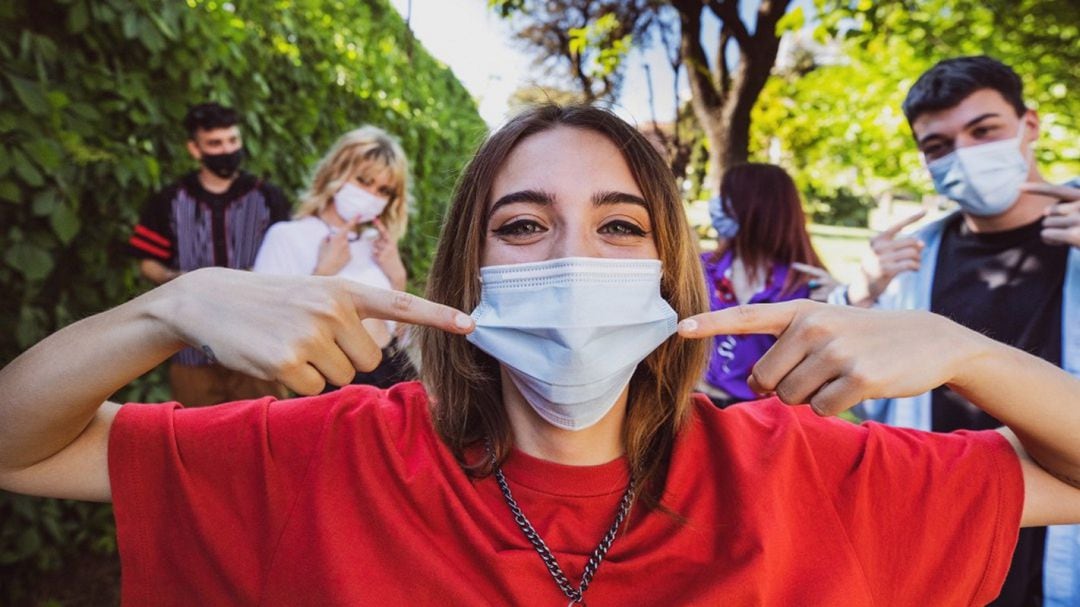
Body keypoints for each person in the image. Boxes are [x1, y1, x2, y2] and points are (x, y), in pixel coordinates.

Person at [2, 105, 1080, 606]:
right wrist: (166, 310)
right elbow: (19, 447)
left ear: (671, 268)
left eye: (619, 226)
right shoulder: (330, 454)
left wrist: (958, 348)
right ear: (465, 270)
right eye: (523, 225)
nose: (572, 253)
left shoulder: (801, 470)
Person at [833, 56, 1080, 606]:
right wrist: (861, 294)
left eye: (984, 130)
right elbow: (856, 393)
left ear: (1029, 126)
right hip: (952, 528)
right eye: (939, 146)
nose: (965, 155)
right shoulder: (910, 260)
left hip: (1063, 531)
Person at [128, 102, 291, 406]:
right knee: (194, 434)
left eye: (232, 140)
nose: (226, 150)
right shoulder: (170, 200)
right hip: (189, 341)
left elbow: (290, 260)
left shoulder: (268, 197)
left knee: (266, 427)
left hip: (257, 339)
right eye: (215, 143)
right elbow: (147, 264)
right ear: (195, 148)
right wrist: (175, 277)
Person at [252, 126, 416, 389]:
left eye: (384, 190)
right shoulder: (287, 236)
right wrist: (323, 273)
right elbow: (267, 334)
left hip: (395, 371)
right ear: (336, 172)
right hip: (335, 383)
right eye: (363, 180)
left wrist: (397, 277)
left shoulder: (376, 244)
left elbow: (399, 334)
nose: (372, 195)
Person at [698, 163, 829, 408]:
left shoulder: (804, 287)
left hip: (761, 418)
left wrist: (843, 301)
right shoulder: (700, 269)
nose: (716, 204)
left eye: (726, 197)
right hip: (694, 406)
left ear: (754, 207)